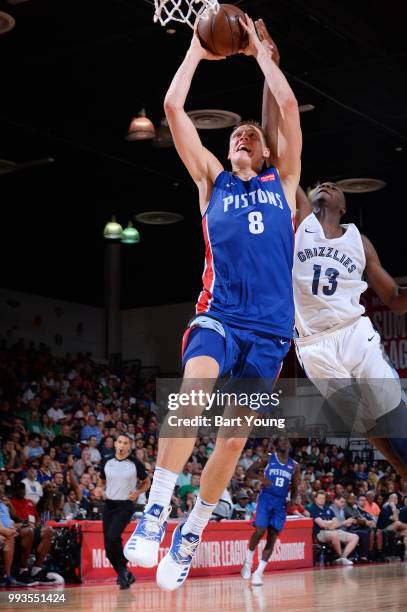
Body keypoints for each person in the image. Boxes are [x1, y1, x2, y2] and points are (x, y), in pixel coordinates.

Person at [123, 14, 301, 593]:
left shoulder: (285, 184)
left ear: (269, 151)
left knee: (231, 438)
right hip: (219, 315)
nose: (241, 138)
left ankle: (193, 527)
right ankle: (156, 508)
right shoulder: (212, 181)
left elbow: (289, 109)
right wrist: (200, 50)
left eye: (252, 135)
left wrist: (260, 55)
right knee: (193, 389)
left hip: (270, 331)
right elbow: (174, 110)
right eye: (234, 136)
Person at [295, 183, 407, 478]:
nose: (326, 185)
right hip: (312, 344)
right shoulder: (299, 226)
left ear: (343, 207)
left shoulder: (359, 240)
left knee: (393, 416)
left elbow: (395, 301)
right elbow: (286, 168)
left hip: (355, 333)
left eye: (334, 186)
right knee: (363, 421)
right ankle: (399, 469)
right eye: (319, 185)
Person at [241, 438, 300, 585]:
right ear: (276, 444)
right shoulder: (268, 458)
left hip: (280, 503)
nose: (284, 443)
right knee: (260, 530)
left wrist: (292, 500)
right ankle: (248, 562)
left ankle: (259, 572)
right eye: (281, 441)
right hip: (266, 499)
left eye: (286, 441)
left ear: (290, 444)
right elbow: (249, 472)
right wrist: (262, 478)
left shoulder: (294, 465)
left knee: (272, 537)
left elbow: (295, 486)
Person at [100, 433, 150, 589]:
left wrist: (137, 492)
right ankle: (125, 573)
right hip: (108, 505)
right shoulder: (106, 461)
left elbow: (146, 482)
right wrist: (100, 489)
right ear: (115, 444)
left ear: (130, 446)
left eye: (125, 443)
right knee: (108, 550)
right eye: (119, 442)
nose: (122, 445)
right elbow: (102, 480)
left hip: (125, 505)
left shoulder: (135, 463)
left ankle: (122, 572)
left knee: (113, 535)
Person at [309, 490, 359, 565]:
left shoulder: (328, 509)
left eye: (323, 498)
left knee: (355, 537)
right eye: (320, 498)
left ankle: (343, 557)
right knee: (334, 535)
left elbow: (335, 523)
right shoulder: (312, 509)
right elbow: (321, 525)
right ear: (315, 499)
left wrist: (328, 524)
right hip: (320, 533)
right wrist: (331, 523)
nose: (322, 500)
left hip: (333, 530)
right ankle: (341, 557)